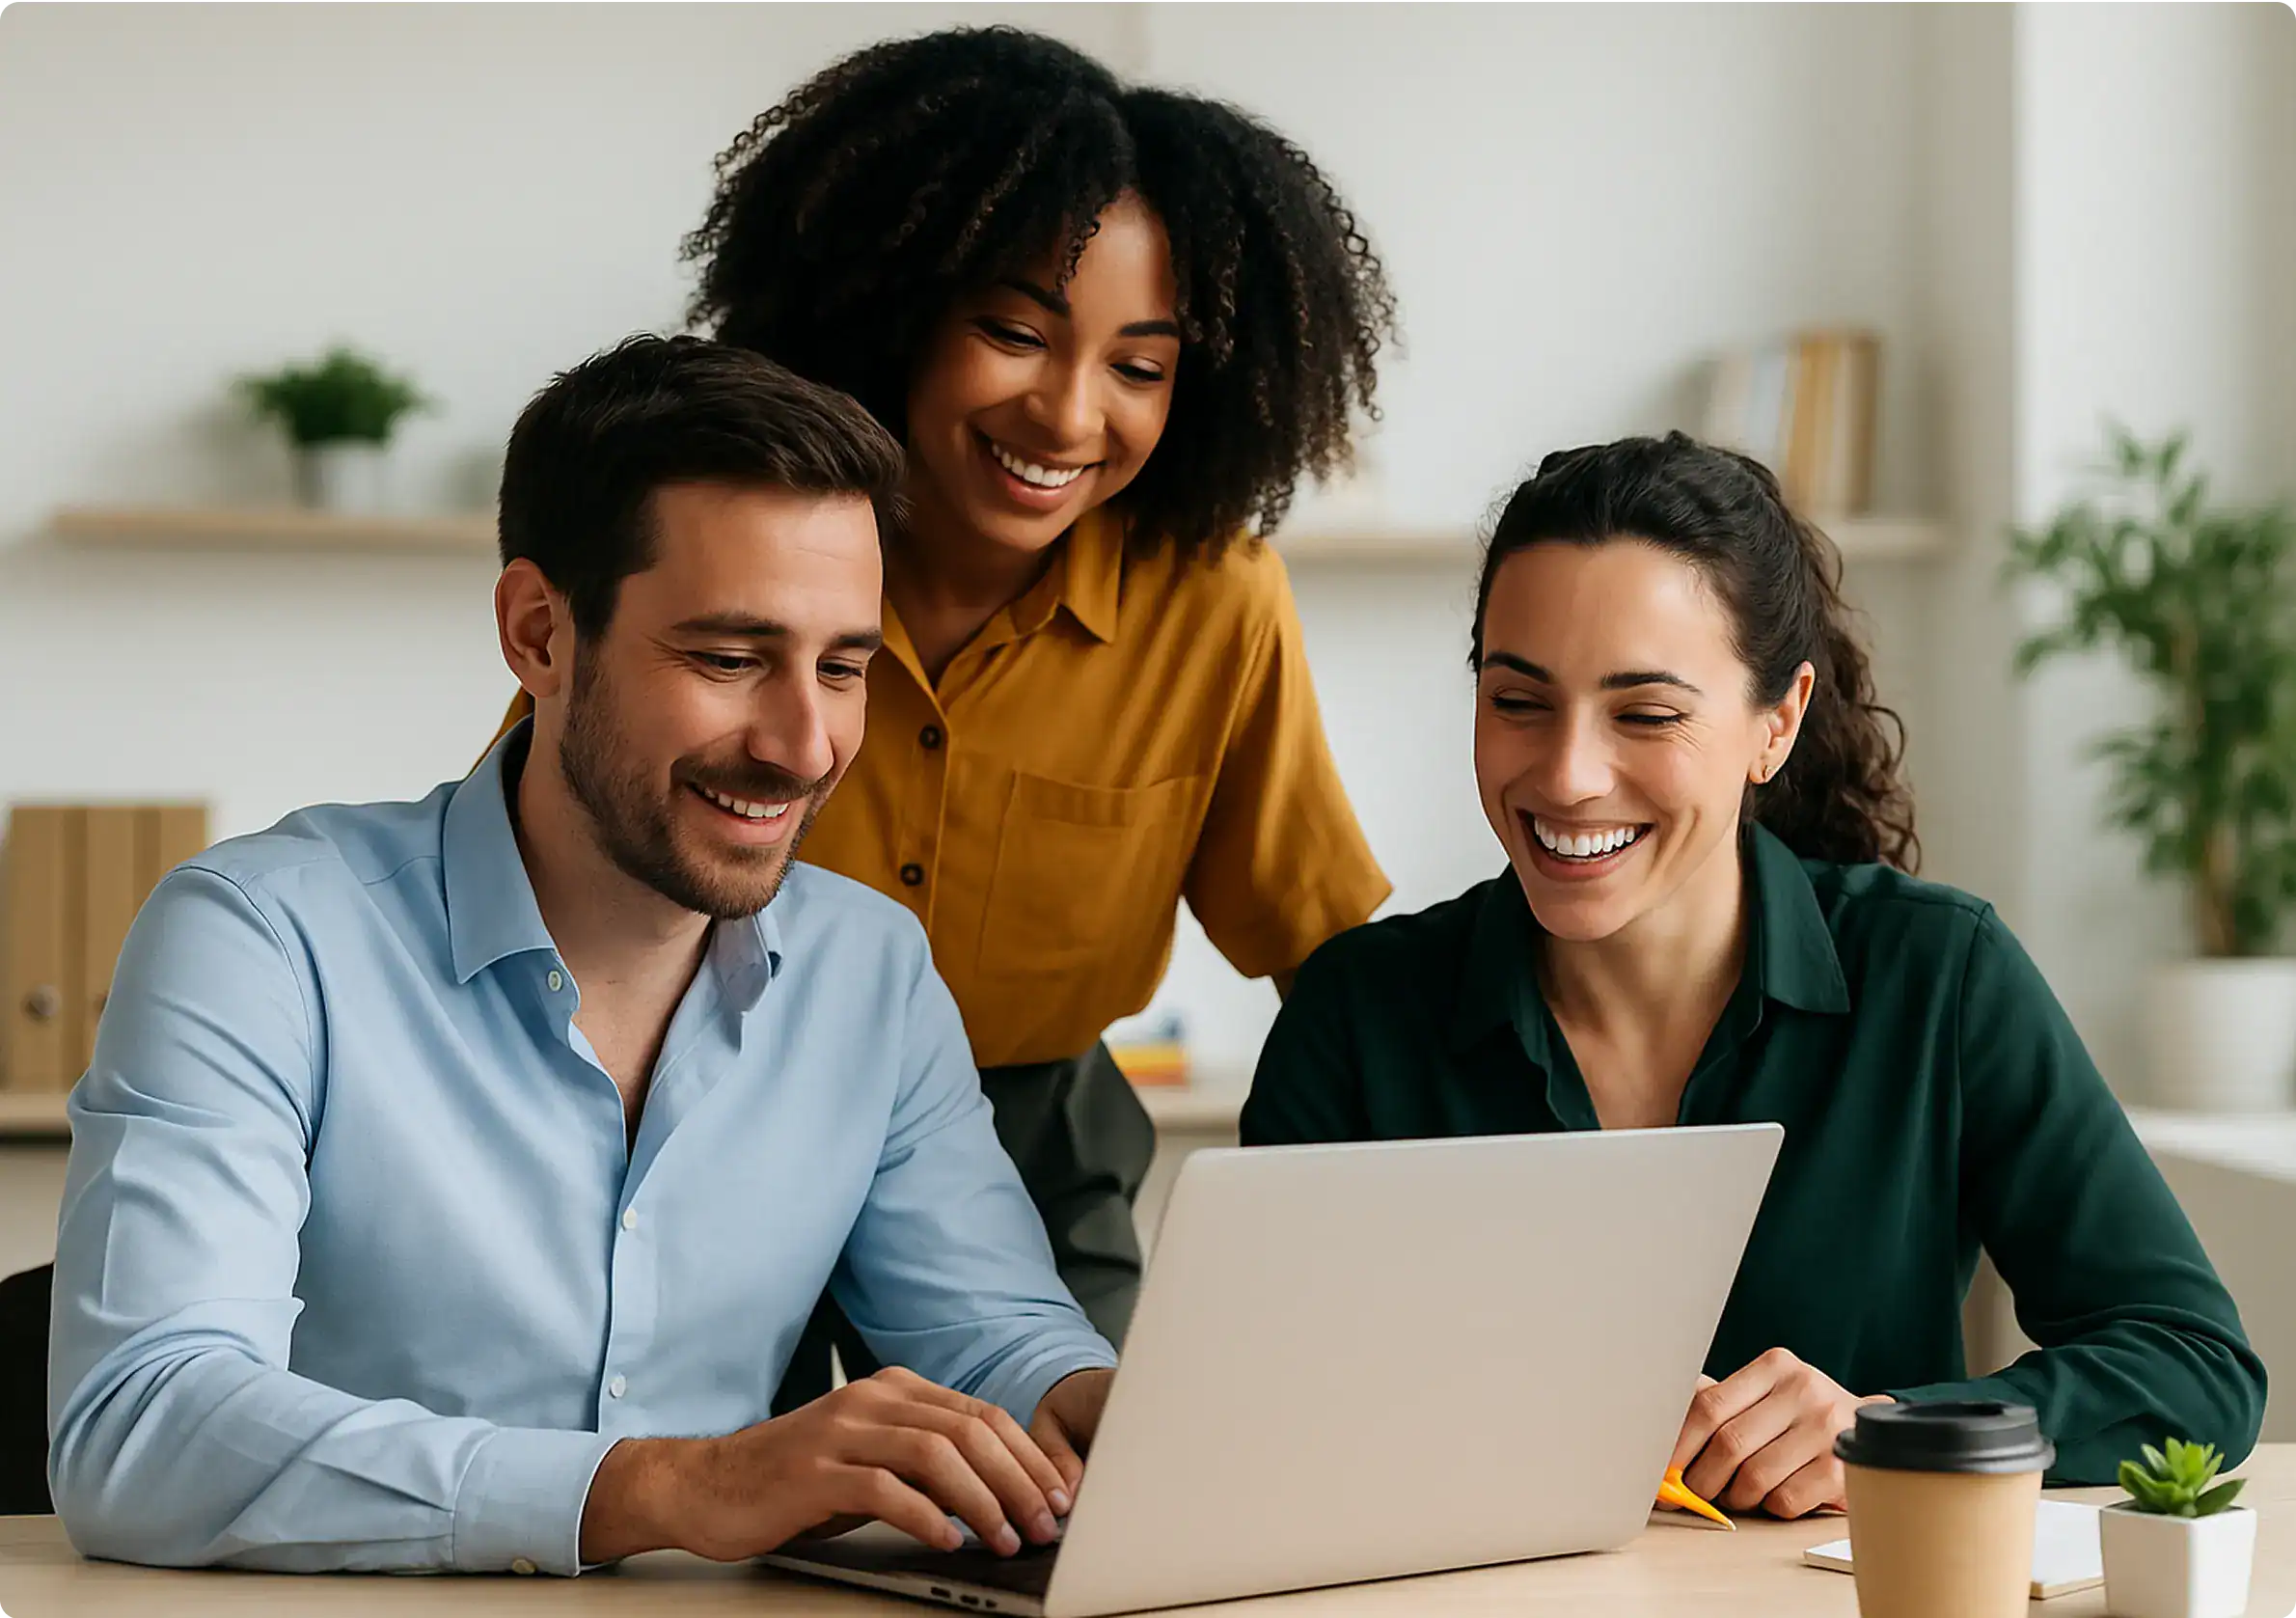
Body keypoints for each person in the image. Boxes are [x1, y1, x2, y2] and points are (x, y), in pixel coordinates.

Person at [48, 336, 1120, 1576]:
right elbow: (139, 1429)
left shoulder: (870, 970)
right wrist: (669, 1486)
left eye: (843, 667)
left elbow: (988, 1332)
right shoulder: (261, 935)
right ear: (540, 634)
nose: (806, 744)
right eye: (728, 660)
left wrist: (1086, 1402)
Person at [487, 27, 1397, 1394]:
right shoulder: (746, 555)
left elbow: (1327, 961)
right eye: (1015, 332)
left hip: (1038, 1144)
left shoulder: (1216, 603)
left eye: (1139, 366)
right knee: (712, 1519)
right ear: (889, 309)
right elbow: (548, 857)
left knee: (1078, 1506)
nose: (1069, 411)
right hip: (706, 1113)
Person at [1242, 432, 2266, 1518]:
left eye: (1645, 714)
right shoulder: (1356, 1011)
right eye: (1517, 701)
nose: (1567, 774)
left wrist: (1897, 1431)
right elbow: (1245, 1406)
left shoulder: (1937, 978)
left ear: (1774, 725)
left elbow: (2192, 1366)